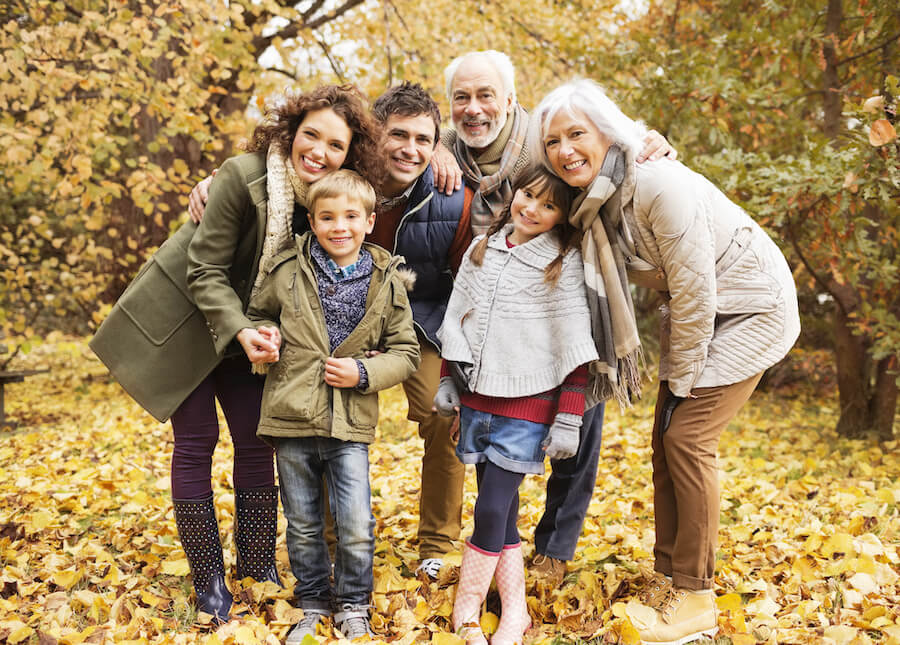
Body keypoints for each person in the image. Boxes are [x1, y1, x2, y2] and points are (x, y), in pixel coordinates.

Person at [91, 84, 383, 622]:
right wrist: (242, 328)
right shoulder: (242, 175)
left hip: (255, 335)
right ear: (291, 132)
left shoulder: (328, 201)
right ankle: (208, 579)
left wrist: (262, 332)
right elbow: (204, 269)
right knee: (196, 441)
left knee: (256, 442)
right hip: (188, 320)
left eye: (335, 145)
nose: (318, 151)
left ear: (350, 154)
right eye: (310, 135)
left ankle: (258, 566)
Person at [530, 79, 801, 645]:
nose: (564, 149)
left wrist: (682, 376)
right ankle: (670, 576)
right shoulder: (591, 197)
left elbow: (696, 288)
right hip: (700, 315)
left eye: (577, 133)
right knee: (664, 440)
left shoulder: (658, 184)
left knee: (687, 440)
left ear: (608, 131)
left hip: (752, 310)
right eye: (552, 140)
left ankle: (697, 597)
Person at [189, 82, 474, 579]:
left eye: (425, 140)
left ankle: (437, 543)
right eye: (399, 136)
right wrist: (215, 184)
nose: (411, 149)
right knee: (313, 408)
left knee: (441, 410)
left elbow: (465, 286)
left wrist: (459, 365)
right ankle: (323, 541)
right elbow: (277, 178)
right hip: (333, 321)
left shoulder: (451, 196)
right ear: (373, 139)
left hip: (421, 323)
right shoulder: (334, 181)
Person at [438, 49, 677, 586]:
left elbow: (595, 142)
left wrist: (646, 140)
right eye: (461, 97)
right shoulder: (444, 146)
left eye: (485, 96)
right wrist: (433, 148)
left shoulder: (540, 146)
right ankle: (499, 555)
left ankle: (554, 548)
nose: (474, 108)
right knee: (499, 458)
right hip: (492, 324)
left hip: (565, 296)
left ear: (510, 100)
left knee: (575, 426)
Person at [245, 170, 420, 641]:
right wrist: (267, 335)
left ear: (368, 222)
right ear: (312, 221)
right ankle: (313, 601)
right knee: (303, 523)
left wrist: (364, 374)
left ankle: (353, 603)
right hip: (291, 416)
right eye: (327, 217)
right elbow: (259, 316)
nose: (338, 226)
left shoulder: (386, 281)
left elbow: (406, 352)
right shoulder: (287, 270)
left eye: (349, 217)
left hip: (349, 425)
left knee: (356, 523)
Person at [433, 165, 600, 645]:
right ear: (516, 194)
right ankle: (515, 612)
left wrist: (568, 417)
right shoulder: (481, 247)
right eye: (528, 196)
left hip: (526, 406)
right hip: (477, 402)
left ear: (562, 216)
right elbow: (458, 317)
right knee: (501, 514)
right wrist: (449, 379)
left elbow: (572, 344)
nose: (532, 209)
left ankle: (466, 612)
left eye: (548, 206)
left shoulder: (561, 262)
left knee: (489, 509)